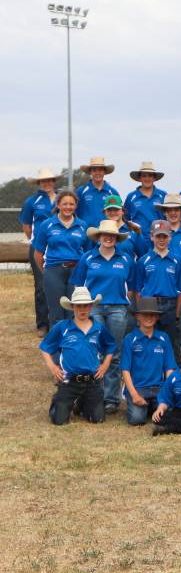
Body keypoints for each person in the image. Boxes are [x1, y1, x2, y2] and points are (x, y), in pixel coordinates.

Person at [71, 219, 135, 413]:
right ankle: (93, 397)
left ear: (117, 238)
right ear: (98, 237)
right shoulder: (87, 258)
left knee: (113, 354)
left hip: (118, 308)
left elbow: (131, 287)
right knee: (93, 352)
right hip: (94, 309)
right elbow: (78, 285)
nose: (108, 238)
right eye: (104, 235)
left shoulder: (125, 259)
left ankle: (111, 399)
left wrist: (123, 302)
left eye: (112, 235)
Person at [39, 287, 115, 425]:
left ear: (91, 306)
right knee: (59, 421)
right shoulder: (62, 327)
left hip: (92, 381)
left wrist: (105, 365)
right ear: (72, 307)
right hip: (69, 381)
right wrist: (53, 367)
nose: (82, 309)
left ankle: (81, 403)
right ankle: (60, 401)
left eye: (86, 305)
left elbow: (110, 345)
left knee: (97, 420)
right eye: (78, 306)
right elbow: (44, 347)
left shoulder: (98, 328)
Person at [32, 190, 90, 327]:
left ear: (76, 206)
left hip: (76, 271)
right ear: (58, 205)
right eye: (65, 204)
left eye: (71, 204)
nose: (68, 207)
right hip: (53, 271)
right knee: (56, 311)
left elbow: (88, 252)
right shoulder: (47, 225)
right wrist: (45, 272)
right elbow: (38, 253)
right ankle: (56, 345)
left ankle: (72, 343)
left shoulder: (82, 225)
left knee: (73, 309)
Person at [132, 220, 181, 352]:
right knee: (148, 341)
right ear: (152, 236)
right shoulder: (143, 261)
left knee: (168, 342)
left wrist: (177, 313)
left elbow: (180, 291)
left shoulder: (177, 261)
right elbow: (137, 291)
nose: (161, 240)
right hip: (148, 305)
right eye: (158, 236)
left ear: (170, 237)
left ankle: (168, 371)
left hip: (170, 304)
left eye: (165, 236)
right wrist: (140, 312)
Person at [121, 298, 177, 426]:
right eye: (145, 314)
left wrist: (166, 393)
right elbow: (125, 370)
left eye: (152, 314)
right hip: (138, 388)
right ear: (137, 316)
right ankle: (143, 408)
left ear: (157, 317)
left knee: (168, 415)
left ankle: (152, 407)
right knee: (137, 419)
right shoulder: (130, 339)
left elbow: (169, 368)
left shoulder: (164, 338)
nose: (149, 317)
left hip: (159, 388)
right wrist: (134, 395)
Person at [22, 168, 59, 333]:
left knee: (59, 284)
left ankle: (57, 321)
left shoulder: (61, 199)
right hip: (40, 248)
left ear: (54, 181)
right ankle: (43, 324)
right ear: (39, 183)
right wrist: (35, 241)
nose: (47, 183)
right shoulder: (32, 201)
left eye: (50, 180)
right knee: (41, 286)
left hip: (59, 247)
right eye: (43, 181)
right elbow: (27, 225)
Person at [122, 162, 166, 237]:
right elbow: (125, 219)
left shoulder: (163, 195)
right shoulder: (131, 197)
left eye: (150, 176)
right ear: (139, 178)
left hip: (159, 238)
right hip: (138, 237)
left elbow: (167, 217)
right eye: (144, 176)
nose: (147, 178)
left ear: (154, 178)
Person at [75, 157, 120, 228]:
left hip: (106, 233)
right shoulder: (81, 191)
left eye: (100, 170)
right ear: (90, 172)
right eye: (94, 170)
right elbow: (74, 212)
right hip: (86, 233)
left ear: (104, 172)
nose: (97, 173)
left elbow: (119, 214)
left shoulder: (113, 192)